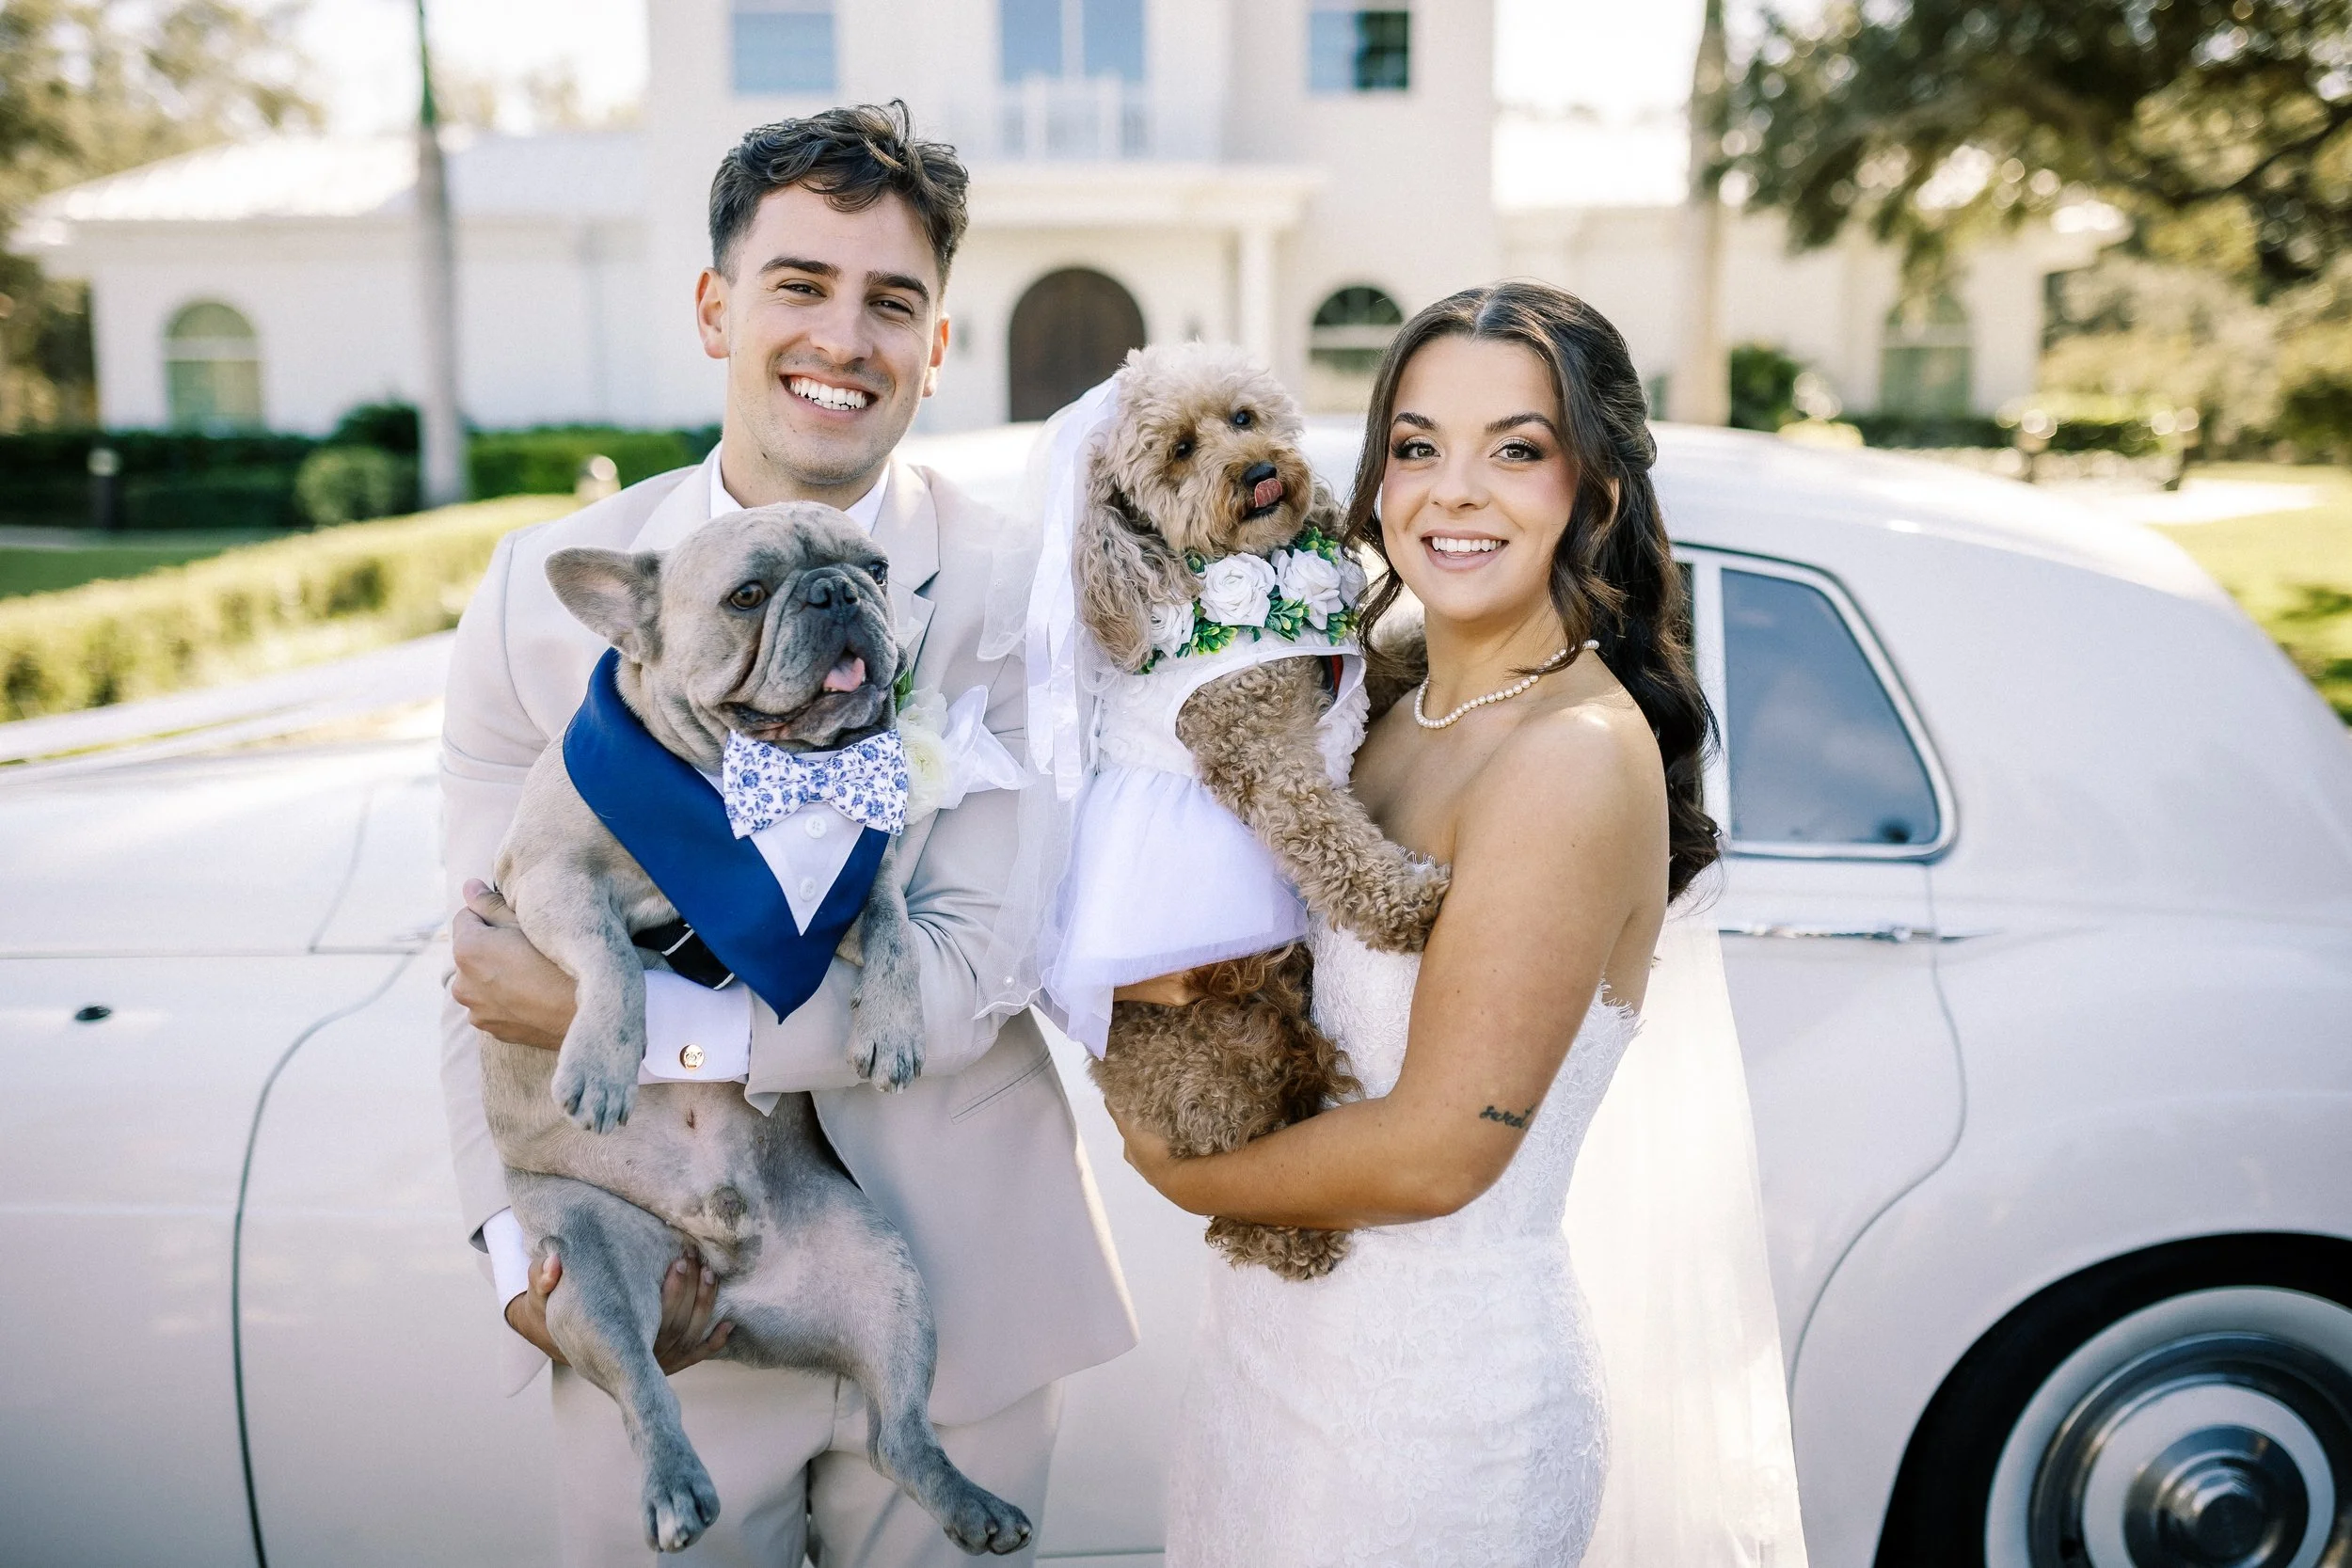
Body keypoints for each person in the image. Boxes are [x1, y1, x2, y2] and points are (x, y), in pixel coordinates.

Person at [438, 103, 1135, 1568]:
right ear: (716, 308)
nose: (846, 336)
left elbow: (967, 966)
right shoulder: (532, 594)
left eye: (894, 301)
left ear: (937, 345)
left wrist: (664, 1029)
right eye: (800, 285)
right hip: (657, 1297)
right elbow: (478, 961)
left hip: (960, 1293)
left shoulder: (1016, 591)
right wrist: (524, 1256)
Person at [1104, 280, 1742, 1565]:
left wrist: (1176, 1175)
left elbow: (1441, 1152)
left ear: (1597, 490)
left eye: (1515, 449)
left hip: (1429, 1428)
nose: (1453, 489)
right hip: (1269, 1379)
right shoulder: (1378, 708)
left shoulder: (1568, 754)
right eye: (1415, 446)